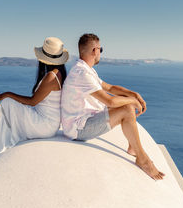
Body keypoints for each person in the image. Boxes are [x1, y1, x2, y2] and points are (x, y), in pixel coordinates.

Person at [61, 33, 165, 180]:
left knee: (126, 102)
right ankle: (143, 159)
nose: (100, 53)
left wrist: (133, 94)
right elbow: (110, 102)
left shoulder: (86, 69)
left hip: (85, 120)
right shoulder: (81, 73)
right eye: (100, 49)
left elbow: (109, 87)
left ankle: (132, 146)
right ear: (94, 51)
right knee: (127, 108)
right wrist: (131, 101)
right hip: (78, 129)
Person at [0, 37, 69, 164]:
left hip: (45, 125)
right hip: (48, 123)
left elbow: (33, 101)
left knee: (7, 104)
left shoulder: (51, 76)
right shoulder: (58, 73)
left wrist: (8, 94)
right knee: (9, 108)